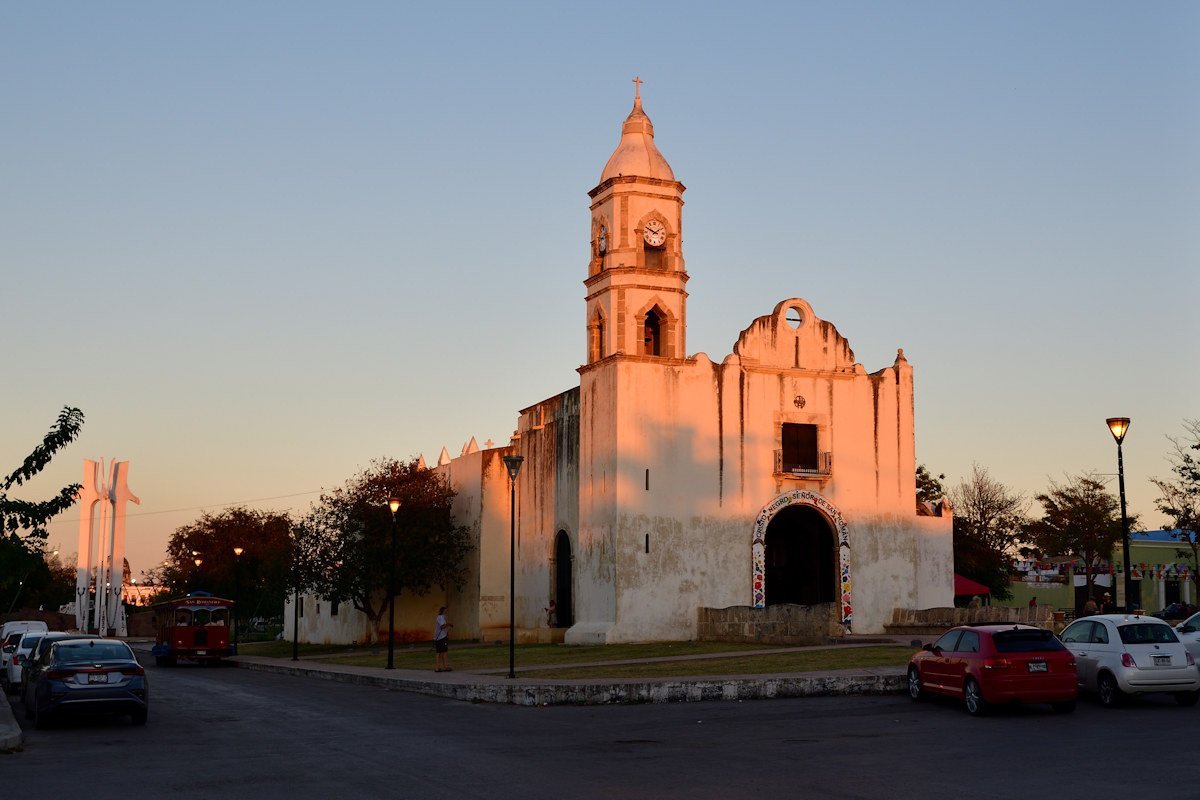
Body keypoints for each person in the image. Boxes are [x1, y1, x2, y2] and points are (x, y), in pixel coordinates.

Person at [433, 606, 453, 672]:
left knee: (440, 652)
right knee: (442, 652)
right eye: (446, 611)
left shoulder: (441, 617)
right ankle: (441, 667)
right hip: (441, 637)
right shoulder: (441, 617)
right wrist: (448, 624)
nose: (447, 612)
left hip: (440, 637)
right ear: (443, 611)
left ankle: (440, 667)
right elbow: (442, 626)